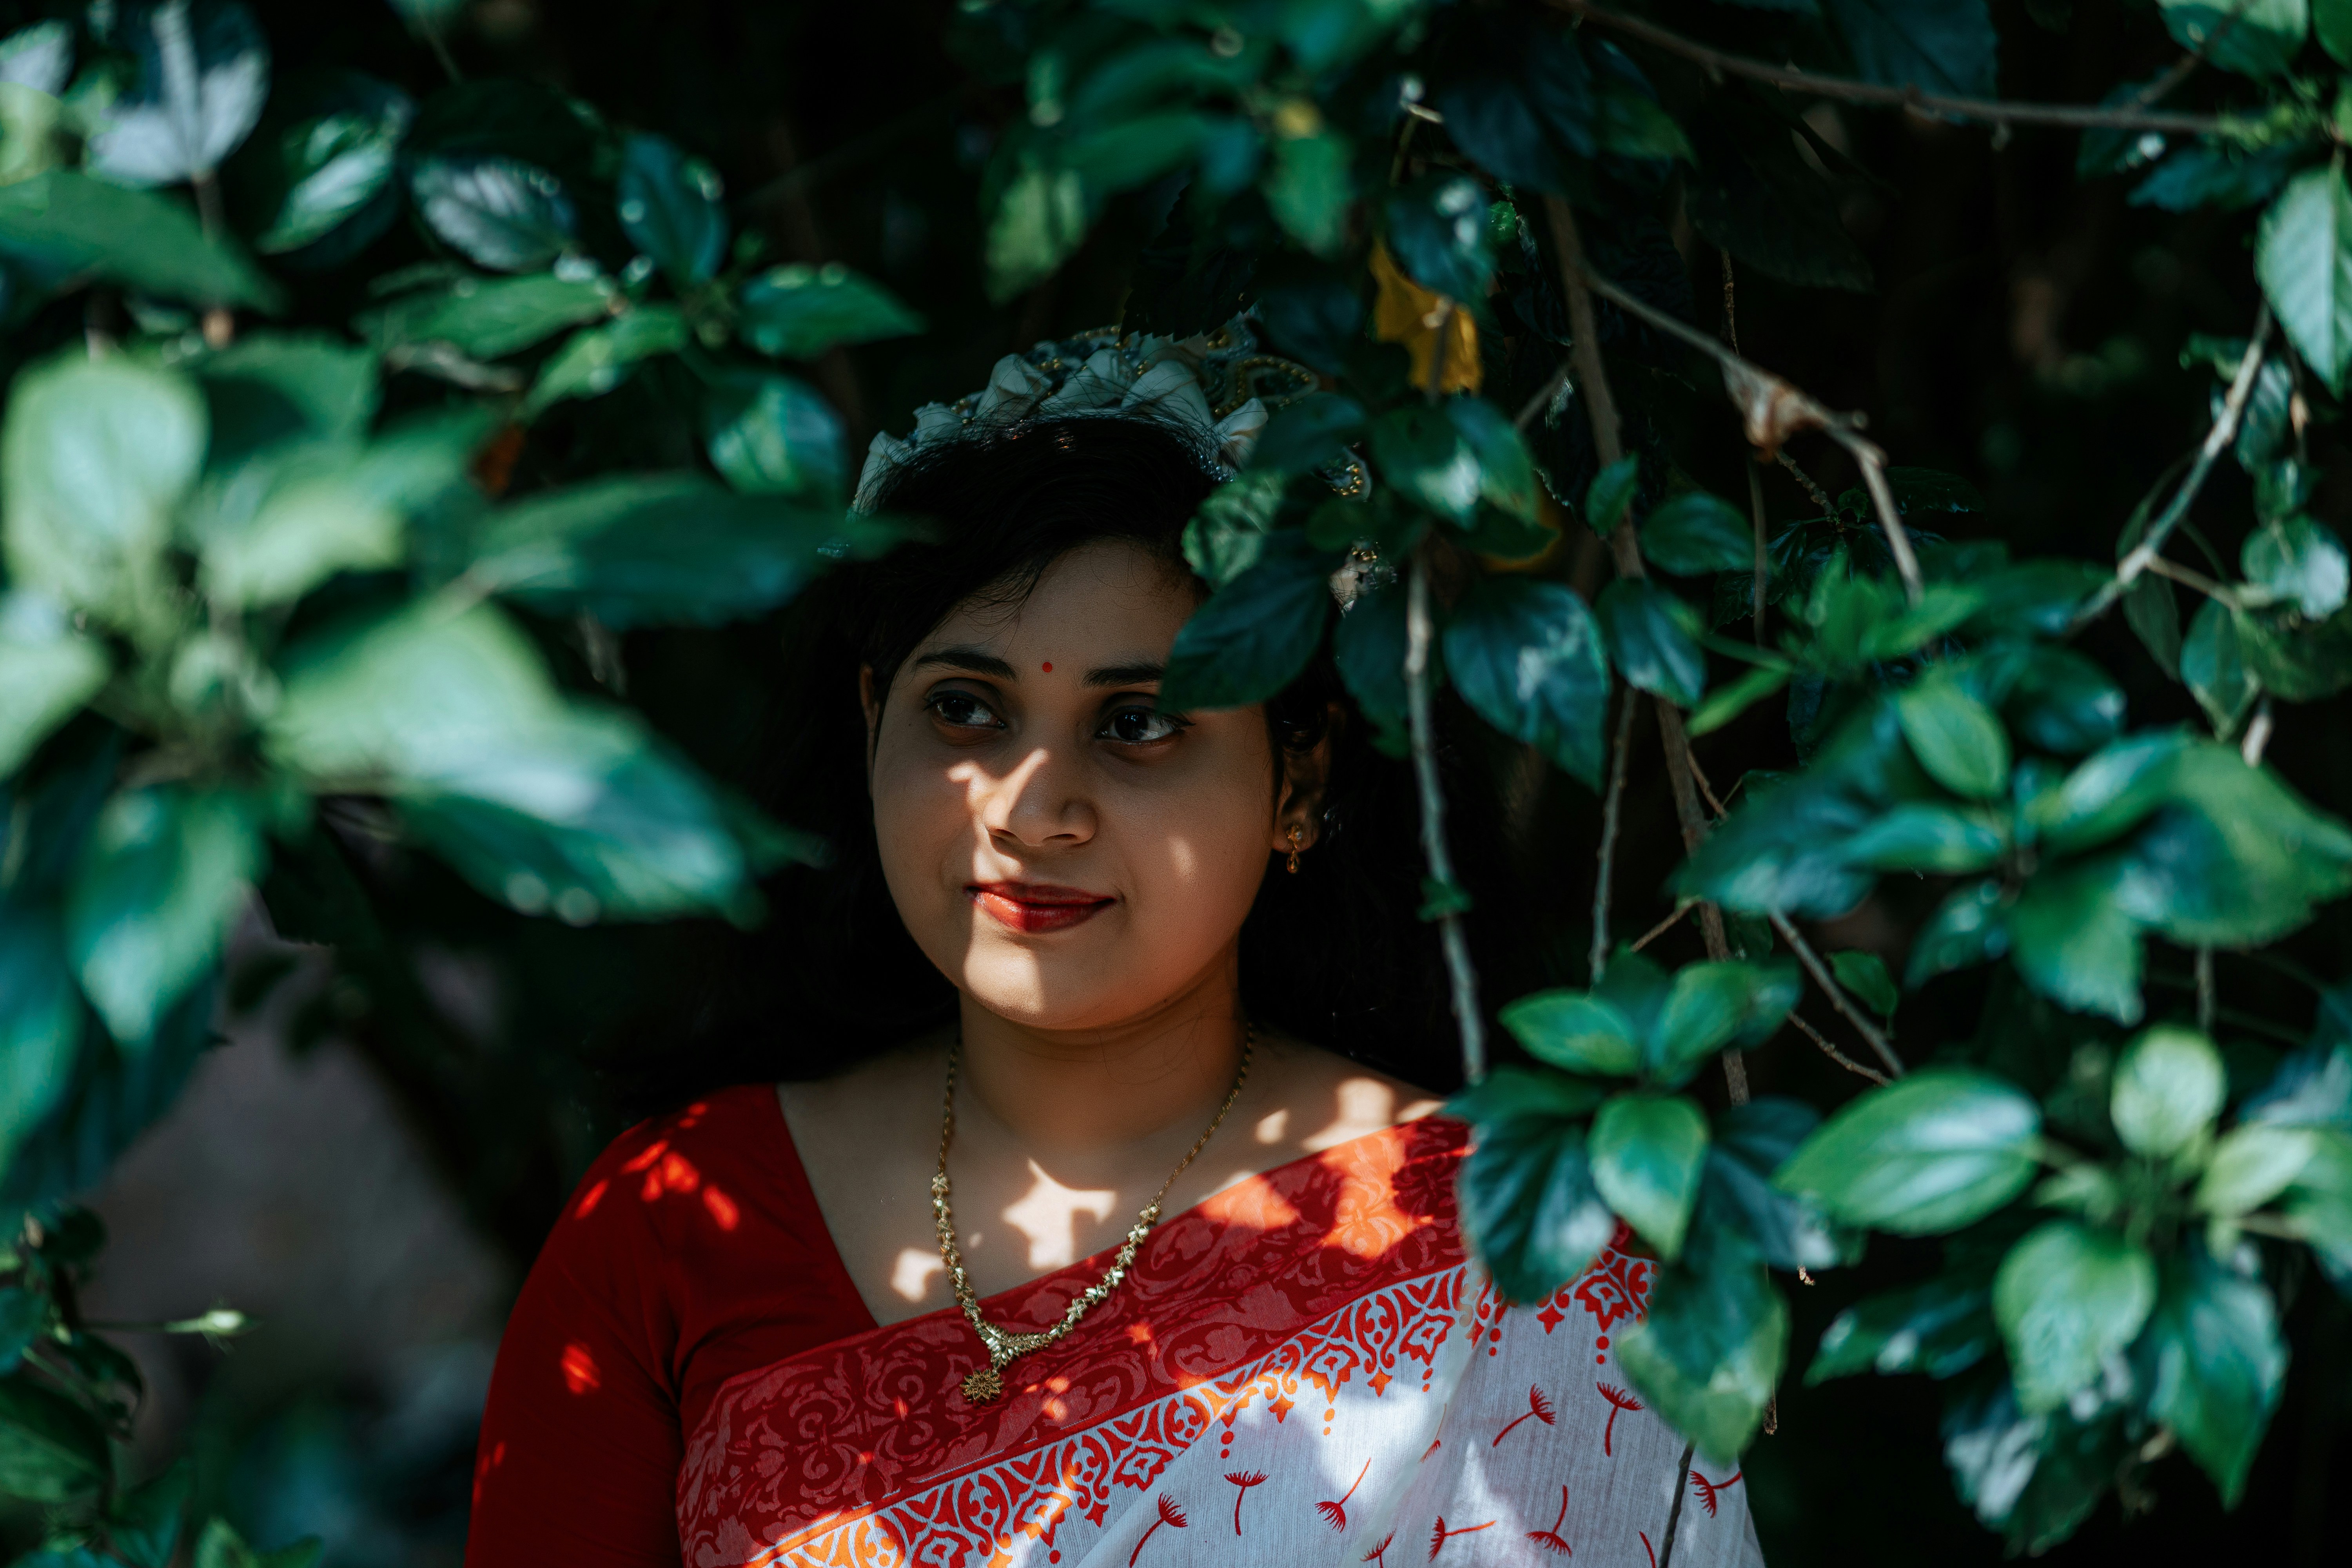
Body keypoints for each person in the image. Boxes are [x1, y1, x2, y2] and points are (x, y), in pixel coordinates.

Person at [464, 328, 1764, 1566]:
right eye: (965, 710)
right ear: (875, 726)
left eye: (1140, 722)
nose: (1032, 807)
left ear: (1300, 773)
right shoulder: (678, 1223)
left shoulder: (1510, 1254)